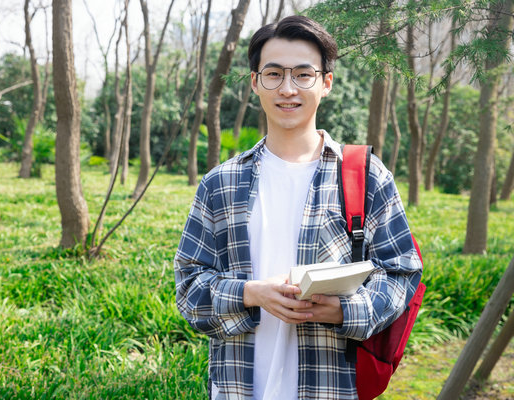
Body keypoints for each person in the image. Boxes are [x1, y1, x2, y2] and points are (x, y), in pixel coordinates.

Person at [174, 15, 422, 400]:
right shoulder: (220, 183)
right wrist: (251, 294)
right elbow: (189, 289)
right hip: (239, 387)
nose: (287, 88)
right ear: (255, 82)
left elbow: (401, 273)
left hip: (330, 388)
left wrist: (344, 311)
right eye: (273, 74)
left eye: (303, 75)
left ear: (325, 83)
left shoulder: (365, 175)